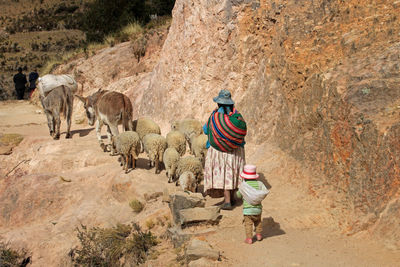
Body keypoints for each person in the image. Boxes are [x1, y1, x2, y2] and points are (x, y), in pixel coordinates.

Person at [203, 89, 247, 210]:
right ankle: (232, 198)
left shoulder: (215, 117)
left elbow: (206, 130)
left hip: (220, 152)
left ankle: (227, 201)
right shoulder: (237, 116)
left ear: (219, 103)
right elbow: (242, 131)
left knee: (225, 174)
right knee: (232, 172)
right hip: (235, 151)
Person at [236, 164, 267, 244]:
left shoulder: (243, 185)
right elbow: (264, 192)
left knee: (248, 224)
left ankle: (249, 238)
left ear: (244, 177)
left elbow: (238, 195)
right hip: (258, 209)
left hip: (247, 210)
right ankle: (259, 235)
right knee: (258, 222)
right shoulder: (260, 183)